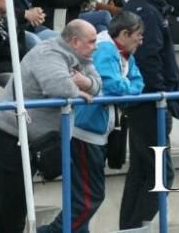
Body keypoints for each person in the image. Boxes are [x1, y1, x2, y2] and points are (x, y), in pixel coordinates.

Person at [0, 19, 100, 233]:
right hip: (7, 132)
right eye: (91, 41)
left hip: (30, 138)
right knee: (14, 199)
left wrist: (87, 83)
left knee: (6, 195)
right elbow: (57, 86)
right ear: (74, 41)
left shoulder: (82, 57)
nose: (96, 46)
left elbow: (97, 84)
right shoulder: (48, 53)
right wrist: (77, 91)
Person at [43, 13, 144, 233]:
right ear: (125, 34)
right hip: (84, 133)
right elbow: (112, 85)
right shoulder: (106, 49)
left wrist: (125, 86)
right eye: (138, 35)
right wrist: (125, 87)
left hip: (98, 134)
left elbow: (138, 83)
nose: (141, 40)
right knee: (89, 198)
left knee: (84, 197)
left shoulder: (126, 53)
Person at [119, 0, 179, 230]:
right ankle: (136, 227)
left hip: (145, 101)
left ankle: (129, 228)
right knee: (161, 174)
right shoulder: (146, 12)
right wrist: (161, 96)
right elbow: (148, 58)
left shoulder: (145, 8)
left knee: (141, 172)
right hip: (150, 103)